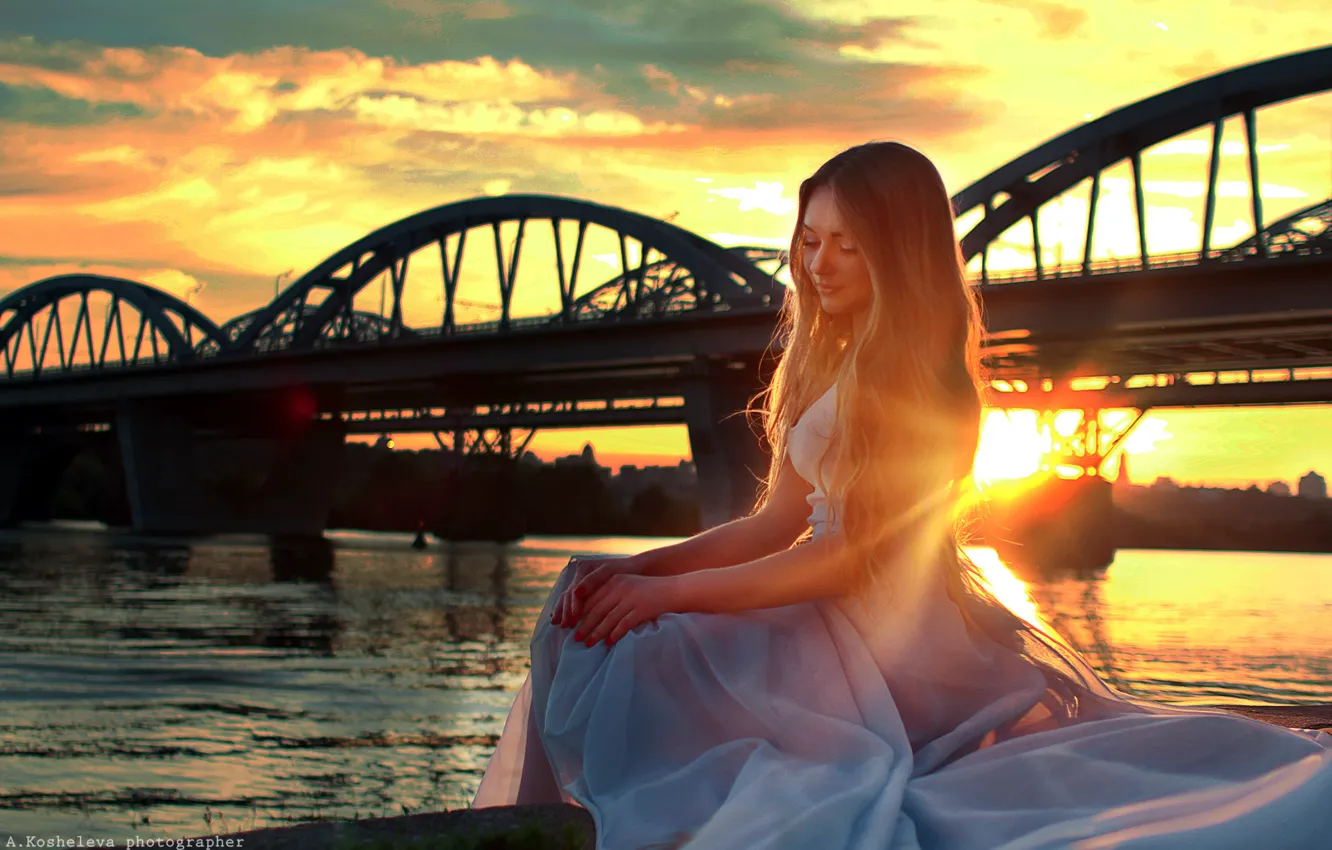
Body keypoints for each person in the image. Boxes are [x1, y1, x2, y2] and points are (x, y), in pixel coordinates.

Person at [471, 141, 1332, 848]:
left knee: (650, 641)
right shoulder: (829, 358)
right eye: (810, 240)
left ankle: (575, 828)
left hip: (891, 639)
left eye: (848, 245)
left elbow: (847, 559)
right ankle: (544, 823)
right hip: (832, 614)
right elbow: (775, 520)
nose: (820, 264)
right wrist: (641, 568)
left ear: (900, 250)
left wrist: (667, 593)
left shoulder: (917, 381)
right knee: (585, 591)